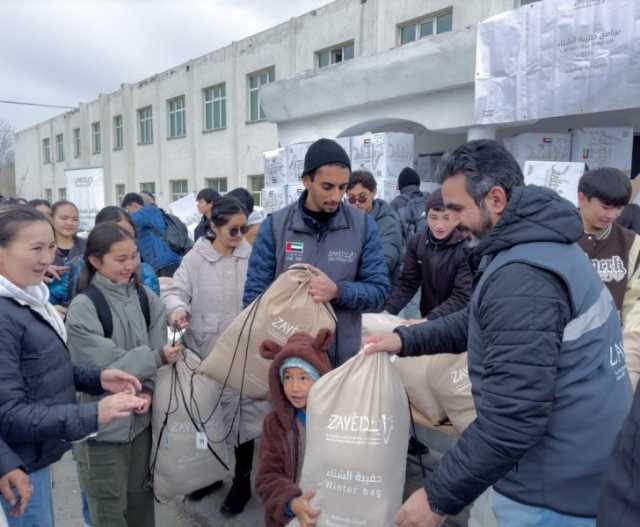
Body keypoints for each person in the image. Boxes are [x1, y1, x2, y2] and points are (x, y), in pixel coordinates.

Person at [365, 139, 632, 527]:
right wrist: (405, 338)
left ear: (495, 199)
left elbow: (514, 418)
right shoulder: (538, 242)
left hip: (551, 488)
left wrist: (436, 497)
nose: (452, 221)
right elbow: (482, 319)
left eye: (458, 209)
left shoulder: (524, 276)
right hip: (572, 462)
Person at [0, 206, 146, 527]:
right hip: (16, 463)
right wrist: (95, 414)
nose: (46, 257)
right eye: (35, 248)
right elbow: (9, 414)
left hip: (30, 457)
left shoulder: (28, 299)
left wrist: (97, 378)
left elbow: (43, 371)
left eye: (50, 247)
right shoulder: (6, 313)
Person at [65, 223, 182, 527]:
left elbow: (160, 351)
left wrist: (150, 391)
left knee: (142, 506)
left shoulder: (147, 299)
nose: (130, 265)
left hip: (141, 425)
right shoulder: (83, 307)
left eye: (134, 256)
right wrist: (153, 359)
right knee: (108, 511)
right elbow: (107, 365)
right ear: (95, 261)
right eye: (120, 259)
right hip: (103, 430)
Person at [163, 196, 270, 515]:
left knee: (244, 420)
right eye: (233, 230)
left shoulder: (253, 258)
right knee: (205, 418)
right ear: (213, 227)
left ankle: (241, 482)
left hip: (244, 354)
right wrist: (178, 312)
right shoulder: (195, 260)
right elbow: (174, 292)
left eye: (245, 228)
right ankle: (207, 475)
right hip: (204, 353)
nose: (240, 235)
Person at [244, 138, 390, 366]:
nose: (336, 196)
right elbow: (254, 297)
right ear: (306, 181)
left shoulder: (363, 227)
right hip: (288, 363)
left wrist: (338, 291)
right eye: (327, 186)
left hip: (340, 362)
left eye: (342, 187)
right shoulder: (275, 227)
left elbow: (379, 293)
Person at [256, 330, 333, 527]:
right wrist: (291, 502)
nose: (294, 388)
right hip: (290, 517)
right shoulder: (274, 424)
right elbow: (267, 476)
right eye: (288, 377)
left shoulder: (338, 421)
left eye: (303, 378)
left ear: (321, 379)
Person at [577, 167, 640, 389]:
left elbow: (635, 304)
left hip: (612, 350)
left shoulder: (632, 243)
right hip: (567, 351)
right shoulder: (560, 238)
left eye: (619, 208)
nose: (612, 215)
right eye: (605, 207)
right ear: (582, 198)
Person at [385, 188, 471, 320]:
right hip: (428, 316)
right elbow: (408, 283)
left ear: (457, 219)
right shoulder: (417, 242)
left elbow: (462, 296)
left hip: (458, 323)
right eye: (433, 217)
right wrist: (388, 311)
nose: (439, 225)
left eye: (446, 218)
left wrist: (428, 320)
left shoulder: (467, 246)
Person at [49, 207, 160, 310]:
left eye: (129, 235)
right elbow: (45, 304)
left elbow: (153, 315)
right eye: (115, 236)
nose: (124, 242)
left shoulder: (144, 273)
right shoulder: (74, 269)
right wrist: (55, 312)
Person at [346, 170, 403, 285]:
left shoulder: (389, 224)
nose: (357, 203)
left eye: (362, 197)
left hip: (381, 292)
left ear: (373, 193)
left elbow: (384, 262)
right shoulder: (345, 221)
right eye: (351, 199)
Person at [121, 192, 182, 277]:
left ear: (134, 205)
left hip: (166, 263)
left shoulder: (147, 212)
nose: (128, 213)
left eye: (127, 209)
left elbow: (125, 220)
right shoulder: (146, 217)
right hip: (161, 263)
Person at [47, 200, 86, 314]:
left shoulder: (88, 246)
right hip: (48, 309)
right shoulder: (41, 247)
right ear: (52, 219)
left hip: (80, 310)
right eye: (64, 218)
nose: (70, 223)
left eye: (75, 219)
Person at [390, 166, 428, 241]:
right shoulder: (429, 198)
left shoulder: (395, 204)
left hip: (408, 251)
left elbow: (394, 236)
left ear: (400, 186)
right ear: (418, 183)